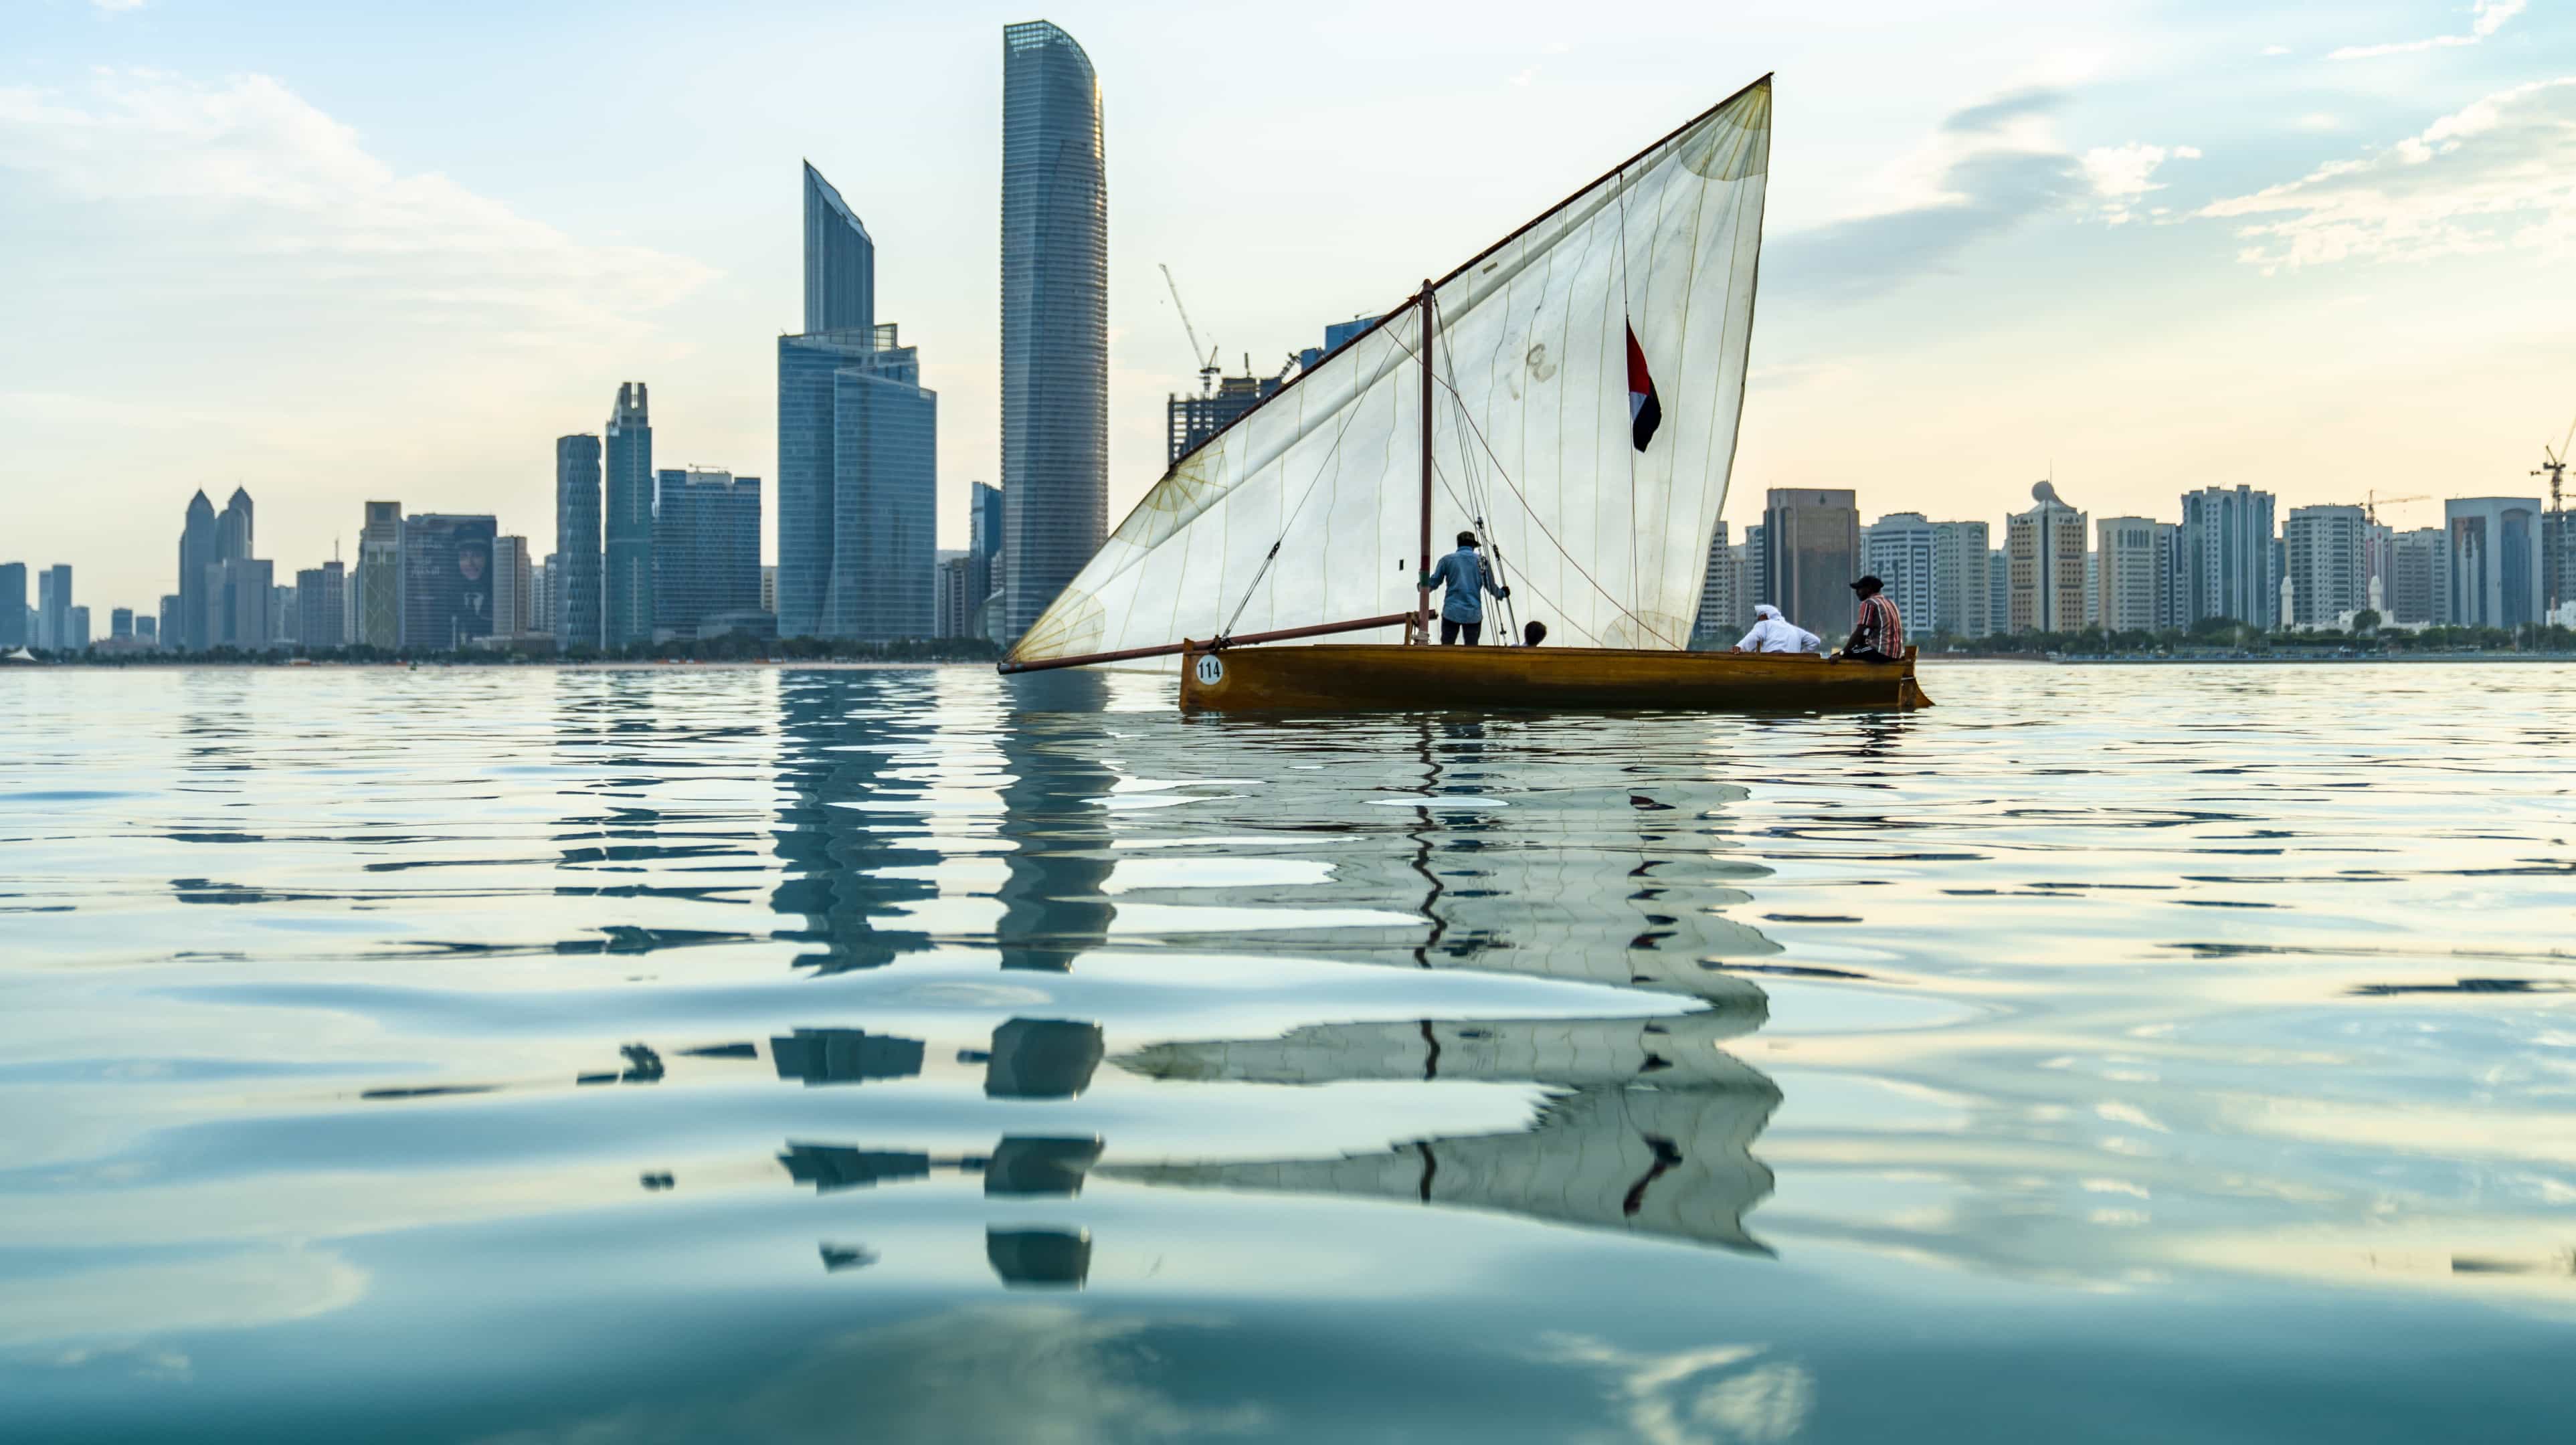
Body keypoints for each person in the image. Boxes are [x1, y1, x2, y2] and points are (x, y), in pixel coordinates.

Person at [1419, 530, 1509, 646]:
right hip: (1473, 614)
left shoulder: (1446, 560)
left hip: (1451, 612)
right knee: (1471, 650)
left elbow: (1433, 583)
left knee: (1446, 647)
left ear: (1459, 545)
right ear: (1473, 546)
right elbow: (1491, 586)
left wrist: (1421, 586)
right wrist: (1503, 593)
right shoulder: (1482, 561)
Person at [1839, 575, 1906, 663]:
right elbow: (1865, 634)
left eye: (1859, 589)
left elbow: (1860, 631)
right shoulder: (1890, 603)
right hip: (1896, 654)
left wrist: (1842, 653)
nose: (1857, 592)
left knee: (1842, 654)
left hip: (1881, 653)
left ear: (1869, 588)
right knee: (1855, 649)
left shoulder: (1869, 603)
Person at [1732, 603, 1819, 655]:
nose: (1758, 621)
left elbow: (1755, 636)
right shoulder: (1796, 630)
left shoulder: (1766, 624)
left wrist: (1740, 647)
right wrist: (1801, 656)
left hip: (1770, 665)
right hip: (1792, 667)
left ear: (1765, 616)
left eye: (1759, 618)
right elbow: (1815, 641)